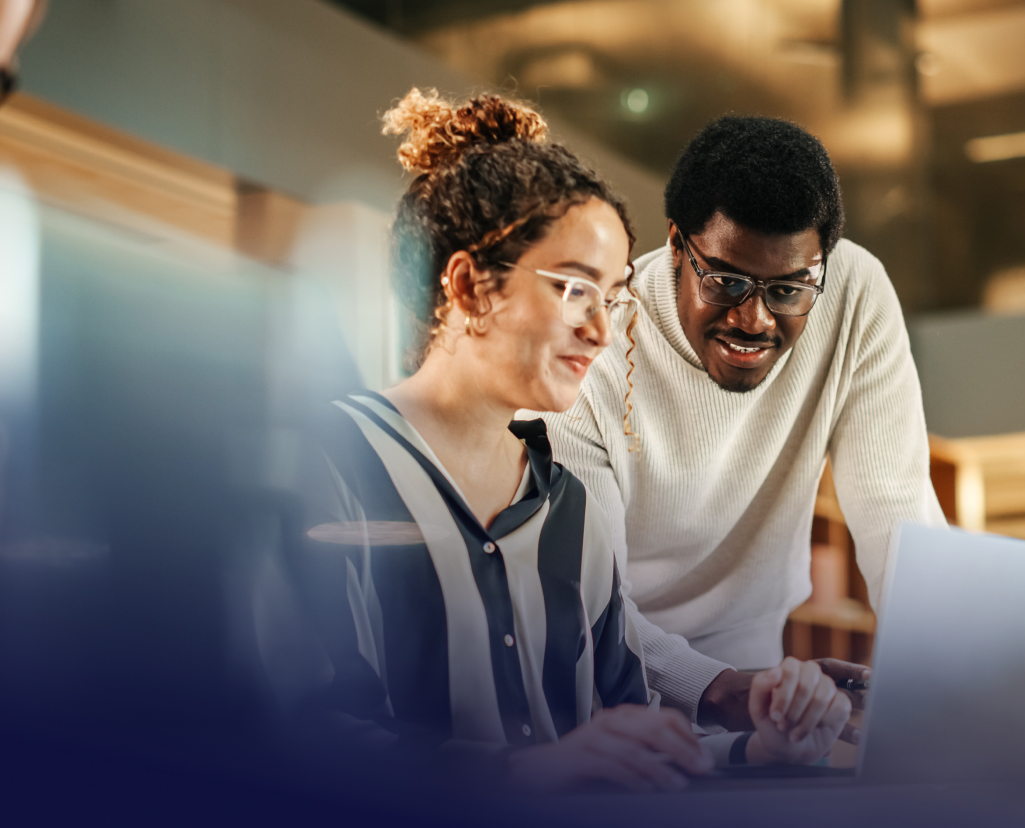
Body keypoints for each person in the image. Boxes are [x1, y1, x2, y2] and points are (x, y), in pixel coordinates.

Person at [295, 89, 855, 793]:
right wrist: (521, 773)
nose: (601, 331)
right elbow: (299, 740)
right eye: (574, 289)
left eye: (612, 296)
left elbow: (626, 744)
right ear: (471, 287)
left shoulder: (573, 508)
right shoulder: (326, 464)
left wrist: (757, 750)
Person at [534, 116, 947, 731]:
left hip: (759, 689)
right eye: (726, 281)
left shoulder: (854, 293)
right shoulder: (588, 347)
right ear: (676, 246)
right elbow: (588, 603)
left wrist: (942, 682)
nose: (754, 319)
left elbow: (899, 513)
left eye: (788, 289)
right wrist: (716, 688)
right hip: (605, 704)